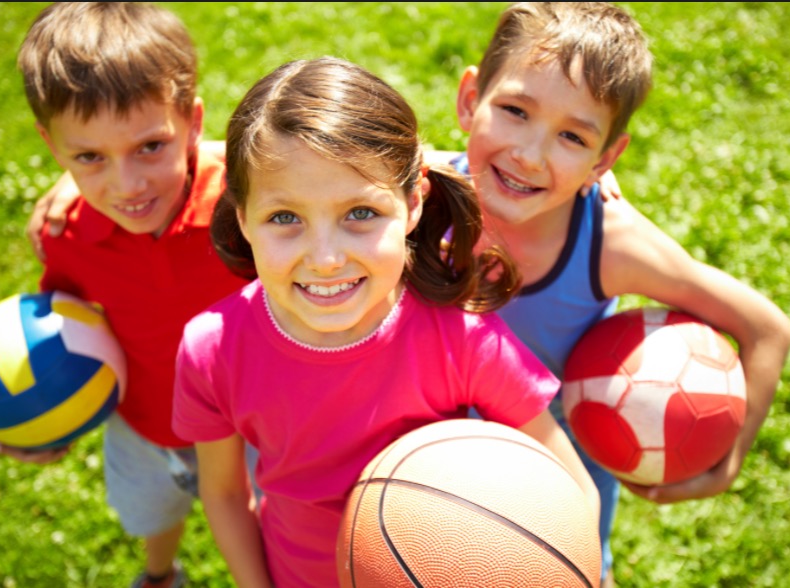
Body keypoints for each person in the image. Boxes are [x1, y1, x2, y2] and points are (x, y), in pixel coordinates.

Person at [171, 56, 601, 588]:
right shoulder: (212, 350)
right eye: (285, 218)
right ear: (242, 218)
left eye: (360, 214)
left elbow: (569, 481)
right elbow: (226, 493)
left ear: (413, 202)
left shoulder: (461, 338)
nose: (325, 258)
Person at [440, 2, 790, 586]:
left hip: (555, 493)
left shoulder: (609, 243)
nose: (529, 154)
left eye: (572, 138)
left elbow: (766, 328)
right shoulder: (414, 199)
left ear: (606, 159)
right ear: (469, 99)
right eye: (513, 110)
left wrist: (725, 465)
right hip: (420, 475)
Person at [0, 4, 251, 587]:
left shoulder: (250, 205)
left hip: (254, 426)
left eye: (150, 147)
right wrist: (27, 417)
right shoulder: (69, 238)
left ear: (194, 122)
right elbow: (66, 336)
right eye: (89, 158)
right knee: (152, 515)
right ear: (51, 146)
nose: (127, 185)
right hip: (143, 426)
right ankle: (160, 574)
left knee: (263, 531)